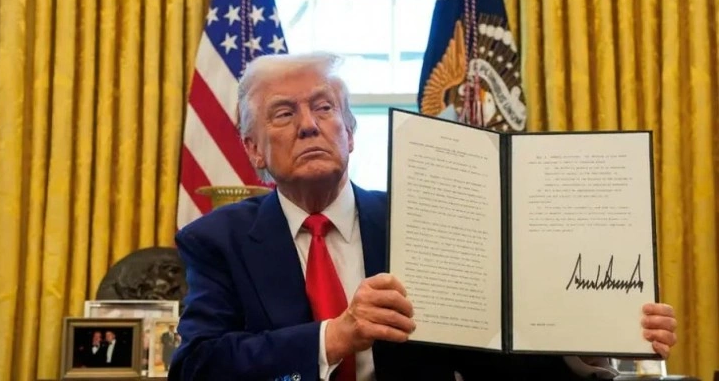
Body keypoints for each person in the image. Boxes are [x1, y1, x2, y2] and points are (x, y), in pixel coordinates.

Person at [168, 52, 677, 381]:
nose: (308, 126)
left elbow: (491, 362)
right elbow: (196, 366)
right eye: (284, 113)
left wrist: (595, 336)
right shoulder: (215, 239)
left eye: (324, 109)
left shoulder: (426, 220)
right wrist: (336, 336)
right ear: (253, 148)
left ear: (350, 134)